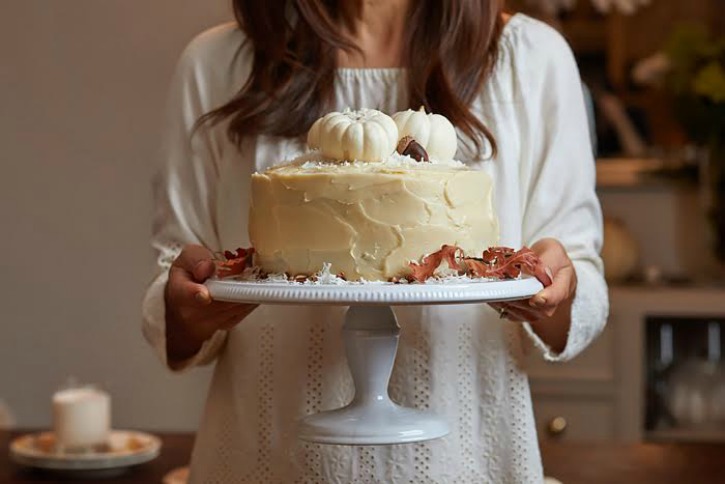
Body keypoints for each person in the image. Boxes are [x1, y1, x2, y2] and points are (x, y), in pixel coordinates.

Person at [142, 1, 609, 482]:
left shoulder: (530, 57)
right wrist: (186, 307)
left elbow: (580, 281)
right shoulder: (218, 61)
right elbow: (171, 289)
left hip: (463, 461)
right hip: (270, 457)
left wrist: (558, 288)